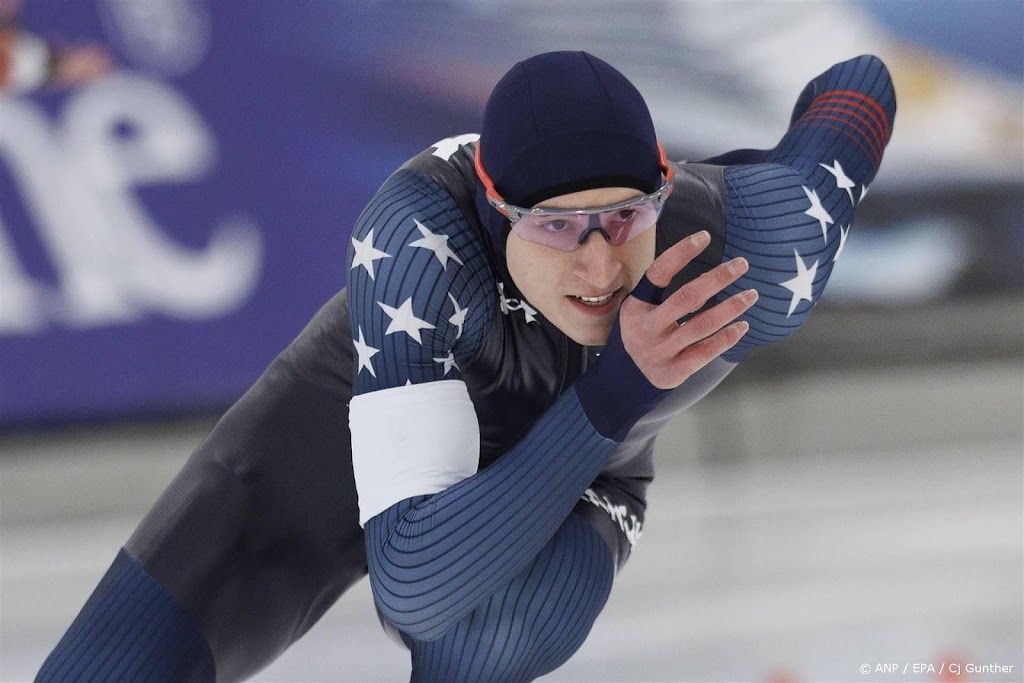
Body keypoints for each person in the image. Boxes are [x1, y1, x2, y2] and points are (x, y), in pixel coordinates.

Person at [38, 51, 895, 682]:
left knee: (483, 639)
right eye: (557, 227)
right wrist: (619, 389)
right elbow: (410, 580)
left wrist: (754, 171)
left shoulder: (752, 253)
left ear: (664, 189)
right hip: (312, 465)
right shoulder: (421, 241)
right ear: (496, 206)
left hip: (572, 489)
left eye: (626, 218)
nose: (599, 269)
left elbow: (862, 84)